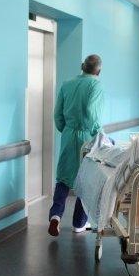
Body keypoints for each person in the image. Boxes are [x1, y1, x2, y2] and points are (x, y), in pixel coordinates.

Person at [48, 54, 105, 237]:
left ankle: (55, 216)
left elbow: (57, 115)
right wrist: (97, 135)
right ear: (99, 70)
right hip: (86, 136)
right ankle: (79, 223)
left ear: (82, 66)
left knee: (64, 177)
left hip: (68, 134)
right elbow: (92, 114)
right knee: (85, 179)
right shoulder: (96, 85)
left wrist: (67, 130)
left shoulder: (67, 84)